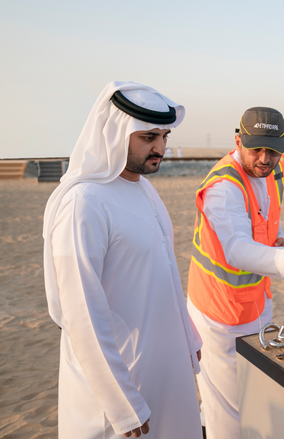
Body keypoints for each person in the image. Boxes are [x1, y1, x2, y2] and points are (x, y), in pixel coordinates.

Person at [43, 81, 203, 439]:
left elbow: (164, 276)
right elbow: (81, 312)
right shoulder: (84, 203)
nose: (161, 147)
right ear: (115, 134)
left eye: (164, 136)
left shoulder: (144, 188)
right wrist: (121, 401)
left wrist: (189, 340)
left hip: (166, 370)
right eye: (149, 137)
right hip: (123, 382)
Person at [186, 106, 284, 439]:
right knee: (229, 415)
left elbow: (263, 223)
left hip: (257, 304)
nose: (265, 159)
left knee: (253, 396)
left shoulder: (275, 170)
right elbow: (236, 248)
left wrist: (275, 241)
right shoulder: (224, 186)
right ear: (238, 141)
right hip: (218, 313)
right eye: (256, 149)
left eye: (273, 149)